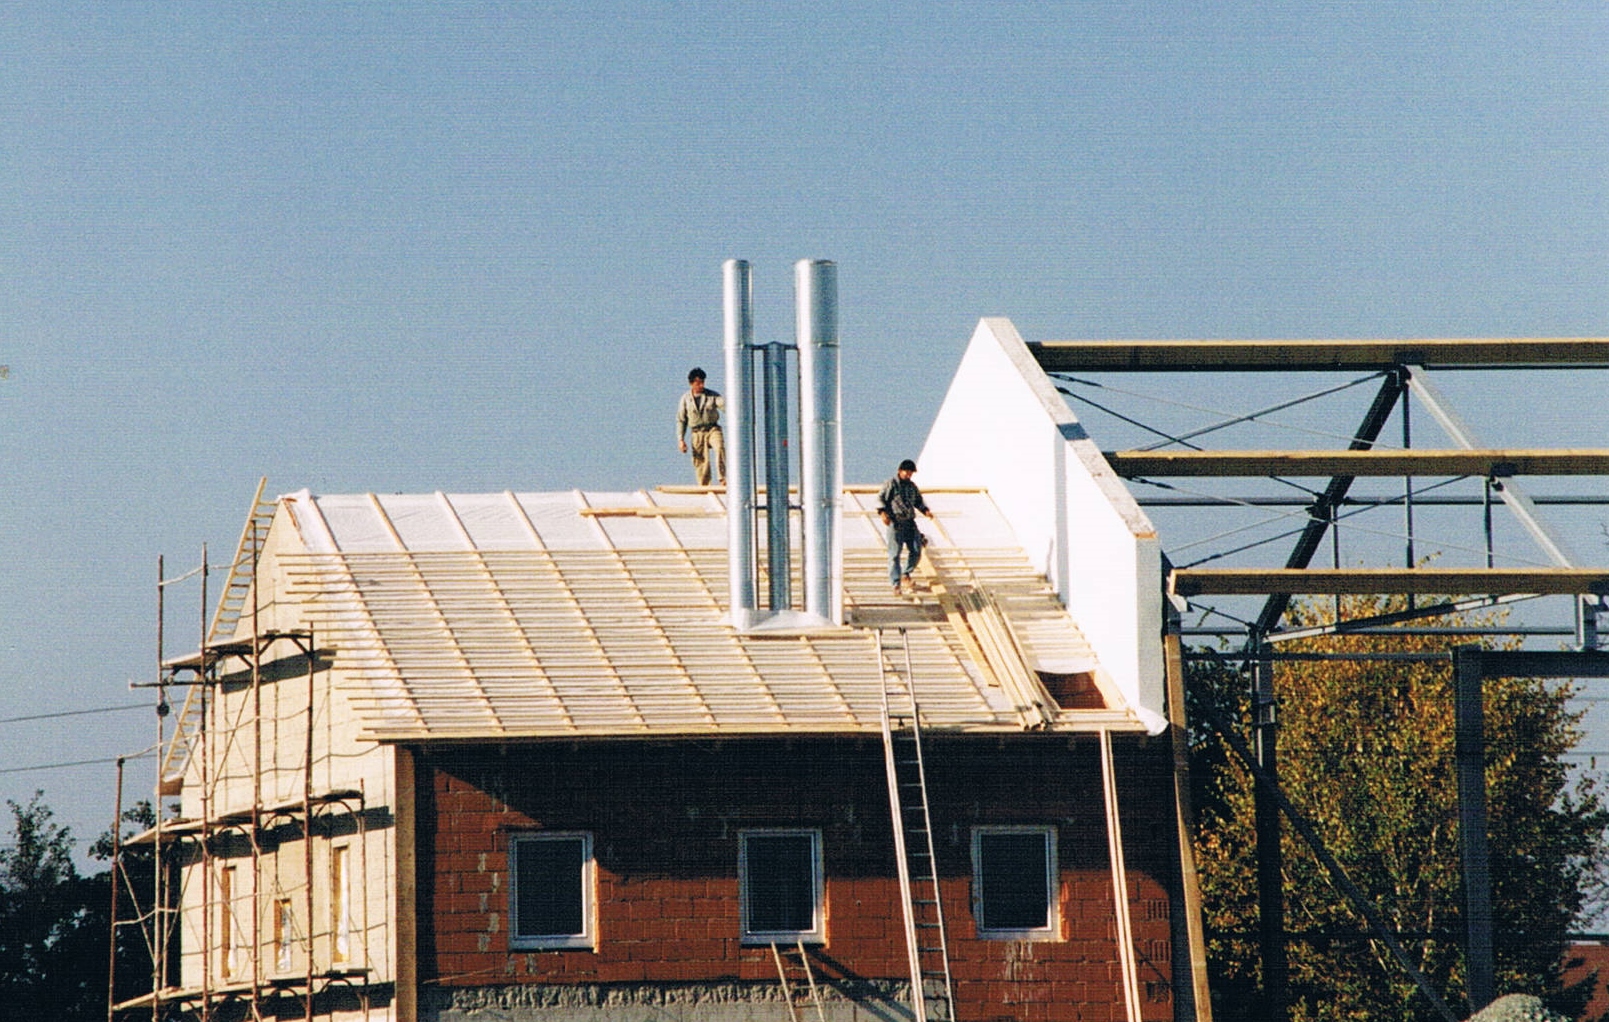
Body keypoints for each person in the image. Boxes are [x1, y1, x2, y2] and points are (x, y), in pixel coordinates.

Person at [877, 458, 934, 595]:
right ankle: (895, 583)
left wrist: (925, 510)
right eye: (906, 472)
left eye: (910, 473)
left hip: (909, 522)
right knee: (894, 554)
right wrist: (882, 513)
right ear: (900, 471)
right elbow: (880, 499)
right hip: (896, 522)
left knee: (916, 549)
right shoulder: (891, 484)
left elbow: (918, 501)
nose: (908, 475)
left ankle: (905, 573)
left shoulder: (911, 486)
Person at [676, 367, 726, 486]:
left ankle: (723, 478)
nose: (701, 385)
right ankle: (704, 485)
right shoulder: (685, 399)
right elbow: (681, 420)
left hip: (712, 428)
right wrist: (681, 439)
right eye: (698, 383)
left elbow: (725, 405)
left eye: (702, 382)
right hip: (697, 432)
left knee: (719, 447)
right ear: (691, 383)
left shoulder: (712, 395)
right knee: (701, 460)